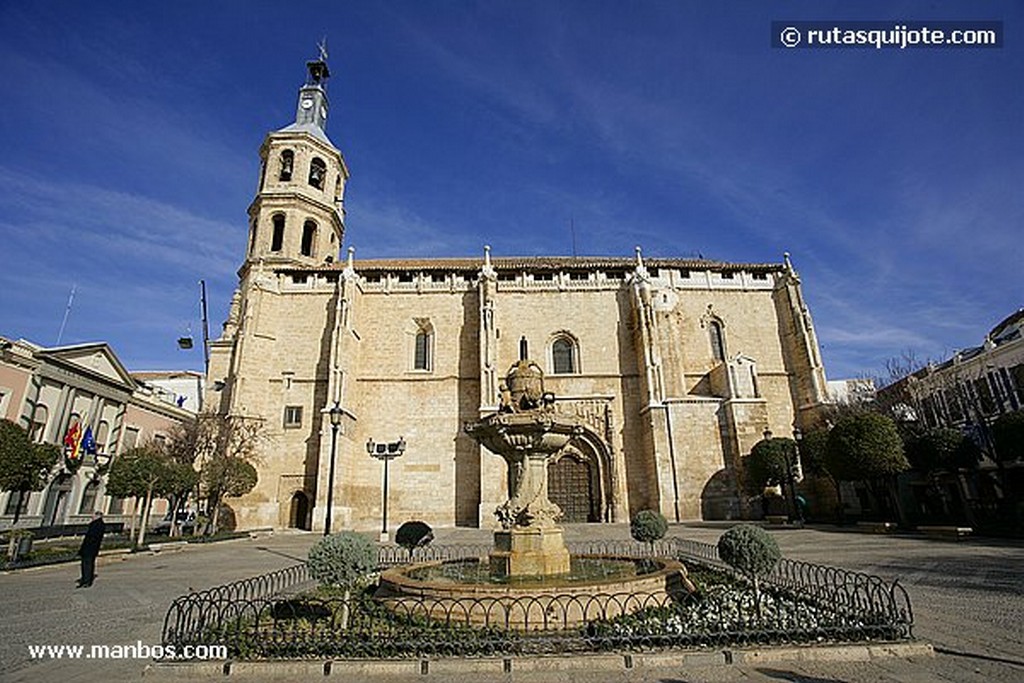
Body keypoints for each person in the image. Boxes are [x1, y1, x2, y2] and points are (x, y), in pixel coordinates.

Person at [77, 511, 105, 588]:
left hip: (89, 548)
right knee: (87, 564)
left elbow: (91, 538)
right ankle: (85, 580)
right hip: (92, 548)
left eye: (94, 515)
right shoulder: (99, 525)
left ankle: (86, 580)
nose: (92, 517)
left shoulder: (96, 525)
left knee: (87, 564)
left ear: (98, 516)